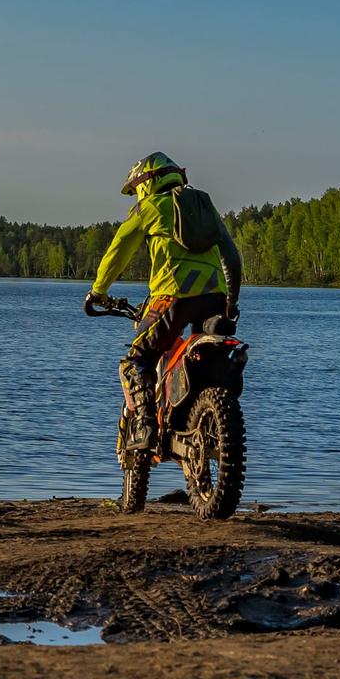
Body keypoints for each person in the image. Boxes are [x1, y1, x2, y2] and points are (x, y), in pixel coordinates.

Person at [88, 152, 243, 454]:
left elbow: (117, 251)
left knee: (138, 358)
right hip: (215, 299)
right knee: (207, 359)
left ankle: (146, 425)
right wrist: (231, 303)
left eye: (135, 189)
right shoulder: (202, 204)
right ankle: (197, 419)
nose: (135, 195)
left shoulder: (148, 208)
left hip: (172, 298)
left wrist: (98, 291)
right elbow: (232, 258)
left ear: (147, 182)